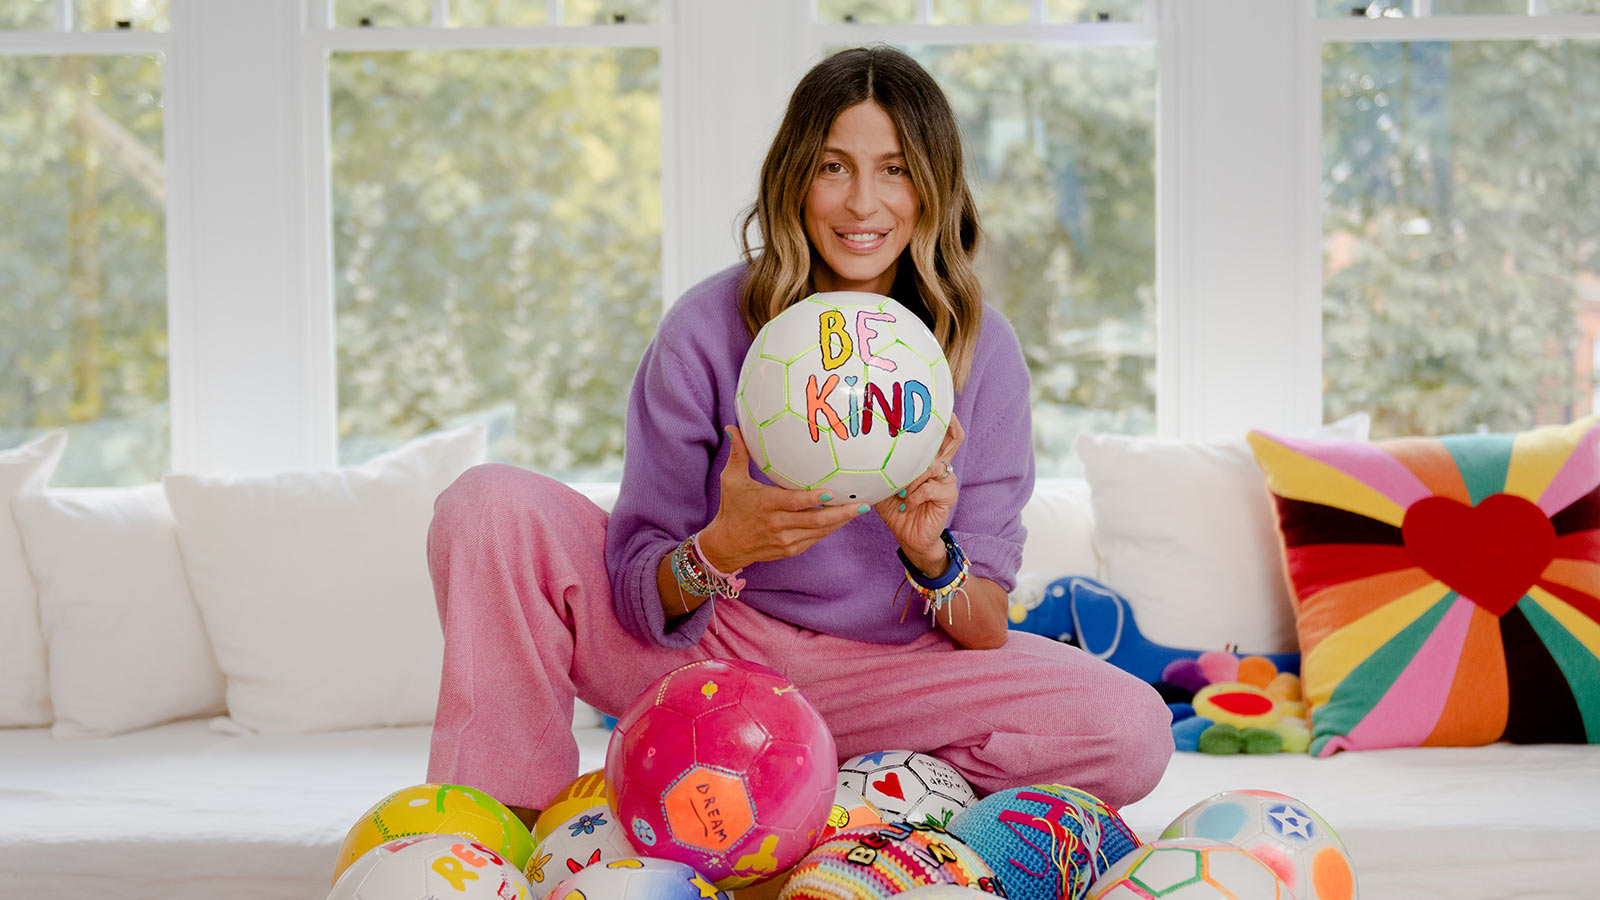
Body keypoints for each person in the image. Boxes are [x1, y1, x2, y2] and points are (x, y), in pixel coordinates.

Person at [425, 44, 1172, 848]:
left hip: (890, 675)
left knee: (1130, 727)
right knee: (488, 505)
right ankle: (502, 827)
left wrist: (930, 554)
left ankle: (840, 790)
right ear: (794, 178)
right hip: (712, 656)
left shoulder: (980, 349)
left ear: (933, 185)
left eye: (894, 170)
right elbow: (639, 589)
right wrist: (720, 548)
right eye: (832, 167)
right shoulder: (706, 327)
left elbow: (984, 624)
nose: (862, 202)